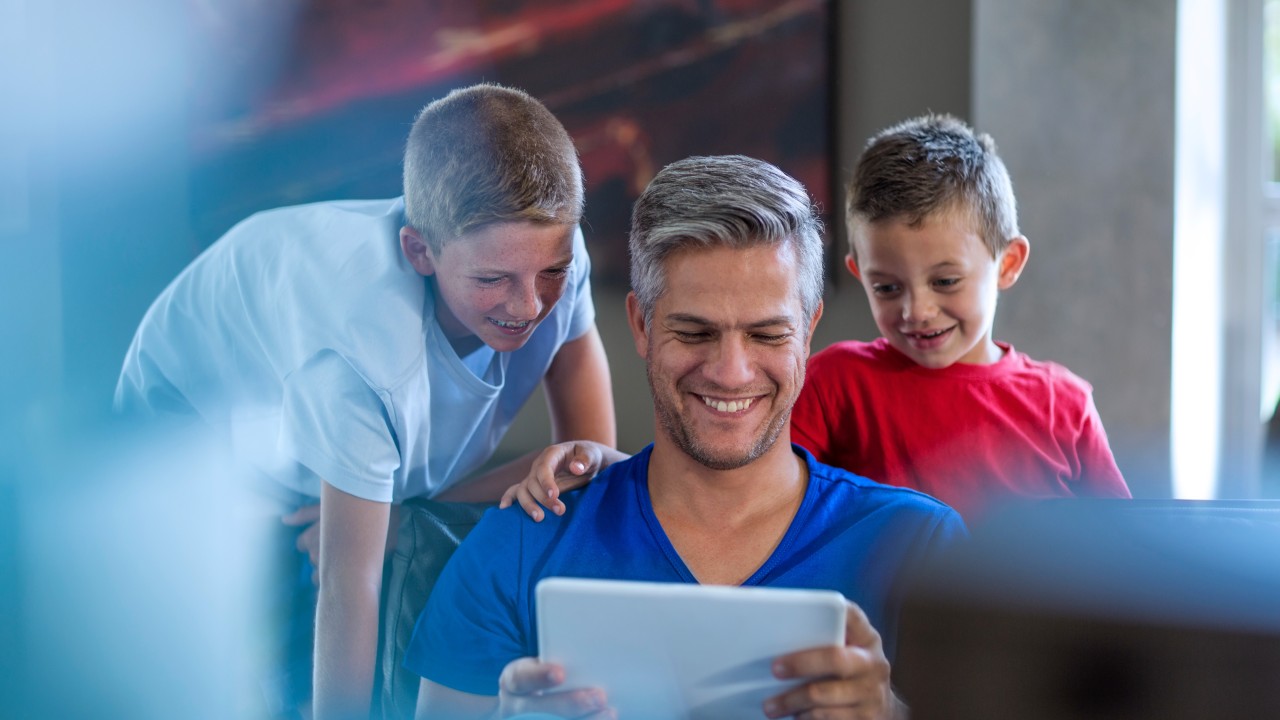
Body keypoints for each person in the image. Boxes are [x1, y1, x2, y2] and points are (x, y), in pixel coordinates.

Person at [114, 83, 616, 719]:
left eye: (552, 273)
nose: (529, 305)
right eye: (492, 280)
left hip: (334, 408)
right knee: (273, 647)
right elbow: (352, 584)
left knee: (464, 513)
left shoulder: (538, 257)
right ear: (420, 252)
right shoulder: (360, 360)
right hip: (187, 437)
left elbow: (594, 468)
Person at [405, 155, 966, 720]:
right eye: (695, 333)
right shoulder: (522, 544)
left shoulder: (920, 548)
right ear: (642, 326)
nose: (731, 372)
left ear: (809, 330)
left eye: (767, 334)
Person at [789, 113, 1131, 522]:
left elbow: (1123, 549)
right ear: (859, 273)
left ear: (1008, 263)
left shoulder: (1065, 405)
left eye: (946, 281)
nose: (917, 311)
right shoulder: (835, 384)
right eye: (887, 288)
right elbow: (769, 510)